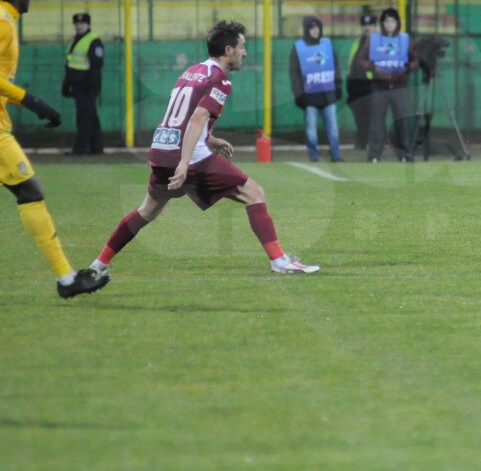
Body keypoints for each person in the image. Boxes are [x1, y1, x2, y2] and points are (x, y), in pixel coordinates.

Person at [88, 20, 319, 278]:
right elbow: (197, 117)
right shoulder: (221, 80)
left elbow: (183, 116)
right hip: (185, 158)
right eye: (242, 47)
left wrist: (211, 139)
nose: (245, 52)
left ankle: (99, 264)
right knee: (254, 193)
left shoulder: (193, 71)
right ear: (229, 50)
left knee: (147, 210)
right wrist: (185, 163)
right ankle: (280, 261)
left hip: (161, 150)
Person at [0, 0, 109, 298]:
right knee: (29, 192)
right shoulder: (3, 23)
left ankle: (66, 278)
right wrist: (29, 99)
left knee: (28, 192)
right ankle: (65, 280)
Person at [357, 7, 417, 162]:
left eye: (393, 21)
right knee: (377, 122)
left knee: (402, 121)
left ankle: (405, 154)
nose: (390, 24)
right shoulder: (373, 39)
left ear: (397, 22)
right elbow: (361, 59)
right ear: (382, 23)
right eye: (387, 21)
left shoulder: (406, 39)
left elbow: (416, 59)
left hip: (400, 86)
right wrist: (372, 67)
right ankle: (374, 155)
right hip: (379, 86)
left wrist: (408, 68)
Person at [288, 15, 343, 162]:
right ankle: (314, 155)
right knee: (311, 129)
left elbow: (336, 66)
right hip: (309, 97)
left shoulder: (327, 44)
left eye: (317, 27)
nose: (315, 31)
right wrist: (298, 94)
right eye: (312, 28)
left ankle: (336, 154)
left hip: (328, 95)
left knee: (333, 128)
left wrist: (338, 86)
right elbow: (294, 73)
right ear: (307, 30)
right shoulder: (298, 47)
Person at [61, 11, 105, 155]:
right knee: (91, 117)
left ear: (88, 24)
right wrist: (66, 85)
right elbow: (70, 64)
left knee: (84, 118)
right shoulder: (76, 39)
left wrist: (91, 86)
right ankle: (96, 148)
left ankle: (80, 149)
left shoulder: (93, 40)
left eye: (82, 23)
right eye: (77, 23)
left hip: (87, 87)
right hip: (79, 86)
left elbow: (96, 67)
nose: (79, 26)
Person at [345, 13, 376, 152]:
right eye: (364, 25)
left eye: (370, 25)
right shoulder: (357, 42)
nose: (367, 28)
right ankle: (362, 141)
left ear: (375, 27)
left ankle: (371, 142)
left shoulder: (378, 42)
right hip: (355, 83)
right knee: (359, 114)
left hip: (370, 83)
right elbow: (352, 62)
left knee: (370, 114)